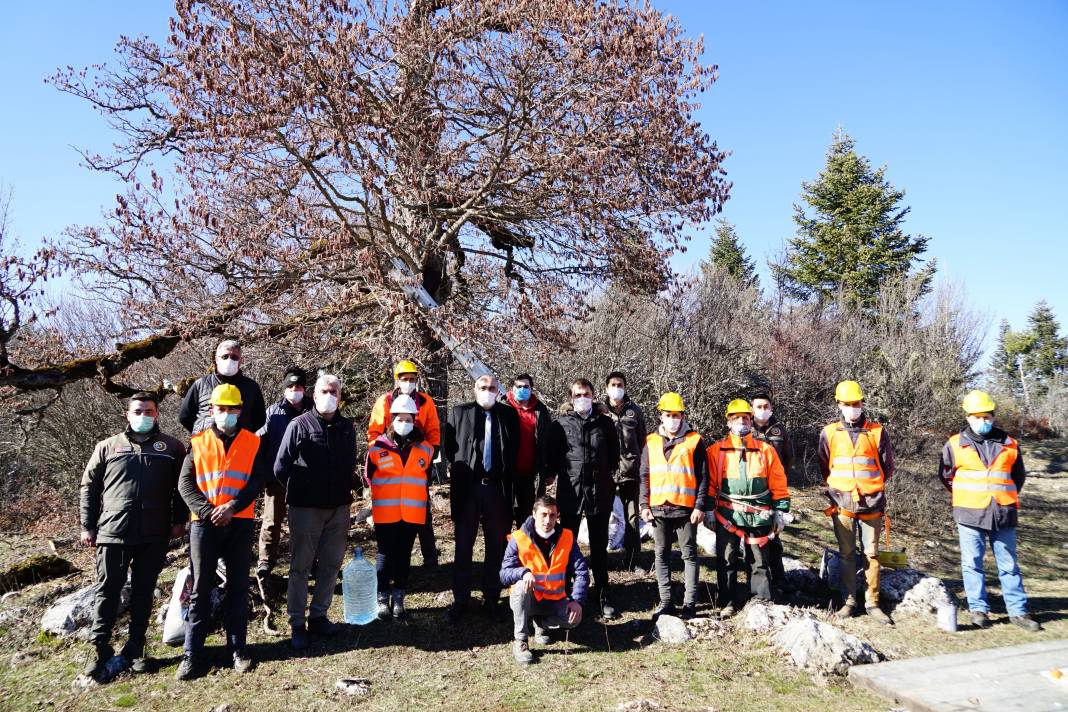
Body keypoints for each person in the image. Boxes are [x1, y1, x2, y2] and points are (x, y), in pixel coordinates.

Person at [79, 392, 187, 681]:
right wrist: (87, 526)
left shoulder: (173, 448)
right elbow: (88, 487)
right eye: (138, 411)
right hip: (113, 531)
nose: (144, 416)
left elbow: (182, 488)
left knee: (143, 592)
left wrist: (179, 521)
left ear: (157, 414)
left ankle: (136, 648)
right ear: (127, 415)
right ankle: (99, 649)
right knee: (107, 592)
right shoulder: (107, 447)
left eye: (149, 411)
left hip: (154, 533)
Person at [177, 384, 270, 680]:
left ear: (240, 410)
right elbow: (185, 484)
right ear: (211, 410)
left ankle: (238, 650)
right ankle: (192, 655)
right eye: (221, 408)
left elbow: (256, 481)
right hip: (204, 525)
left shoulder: (253, 442)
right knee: (200, 589)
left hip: (239, 522)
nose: (226, 414)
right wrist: (208, 511)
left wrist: (232, 506)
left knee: (239, 587)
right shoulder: (198, 441)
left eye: (232, 409)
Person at [939, 390, 1040, 631]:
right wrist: (965, 495)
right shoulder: (955, 444)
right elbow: (945, 476)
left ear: (993, 416)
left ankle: (1018, 612)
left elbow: (1018, 477)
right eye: (976, 416)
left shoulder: (1009, 444)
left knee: (1008, 564)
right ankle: (978, 610)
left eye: (986, 416)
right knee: (972, 563)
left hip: (1003, 512)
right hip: (969, 513)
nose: (982, 421)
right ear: (968, 417)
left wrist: (1002, 497)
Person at [274, 373, 357, 650]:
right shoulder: (299, 425)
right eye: (324, 390)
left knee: (332, 564)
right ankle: (297, 622)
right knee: (301, 567)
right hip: (306, 508)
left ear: (340, 396)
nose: (329, 395)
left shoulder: (347, 427)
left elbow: (350, 462)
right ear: (314, 394)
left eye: (334, 391)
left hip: (339, 508)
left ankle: (319, 615)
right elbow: (280, 467)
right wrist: (302, 489)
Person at [444, 374, 518, 622]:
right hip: (468, 488)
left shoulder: (508, 415)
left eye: (492, 388)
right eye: (483, 387)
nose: (487, 391)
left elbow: (514, 450)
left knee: (496, 545)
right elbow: (449, 449)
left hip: (497, 488)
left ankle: (491, 597)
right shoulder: (459, 412)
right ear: (474, 389)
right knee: (464, 545)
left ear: (499, 391)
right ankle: (461, 598)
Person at [544, 378, 621, 619]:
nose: (582, 398)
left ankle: (602, 594)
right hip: (571, 492)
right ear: (571, 397)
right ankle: (563, 592)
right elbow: (552, 456)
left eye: (586, 393)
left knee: (599, 547)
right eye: (578, 394)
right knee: (566, 544)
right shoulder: (561, 424)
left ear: (593, 395)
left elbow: (614, 455)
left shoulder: (605, 423)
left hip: (600, 492)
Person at [818, 380, 894, 625]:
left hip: (872, 502)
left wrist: (870, 487)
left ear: (863, 403)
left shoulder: (877, 431)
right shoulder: (829, 433)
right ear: (839, 404)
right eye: (848, 404)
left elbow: (887, 467)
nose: (853, 407)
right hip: (842, 503)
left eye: (856, 403)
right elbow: (824, 466)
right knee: (846, 554)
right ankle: (850, 601)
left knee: (871, 554)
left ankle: (873, 603)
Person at [707, 399, 790, 617]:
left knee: (759, 560)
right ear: (728, 422)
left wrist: (780, 510)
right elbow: (710, 484)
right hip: (728, 514)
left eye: (745, 418)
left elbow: (778, 482)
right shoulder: (716, 451)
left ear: (751, 421)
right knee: (726, 559)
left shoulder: (766, 450)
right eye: (736, 418)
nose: (741, 422)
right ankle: (727, 602)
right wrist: (708, 510)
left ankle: (761, 602)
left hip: (759, 514)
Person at [639, 392, 709, 620]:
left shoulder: (695, 440)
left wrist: (699, 506)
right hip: (658, 509)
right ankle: (666, 602)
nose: (672, 419)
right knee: (661, 555)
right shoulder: (651, 441)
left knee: (689, 555)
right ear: (661, 416)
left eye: (676, 415)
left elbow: (703, 477)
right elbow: (645, 475)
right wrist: (644, 504)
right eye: (668, 414)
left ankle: (690, 603)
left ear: (682, 415)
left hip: (685, 510)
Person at [366, 394, 434, 620]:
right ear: (391, 419)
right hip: (386, 513)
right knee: (385, 556)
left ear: (415, 420)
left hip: (412, 513)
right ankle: (382, 598)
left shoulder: (425, 448)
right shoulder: (376, 448)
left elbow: (427, 478)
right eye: (399, 418)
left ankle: (399, 599)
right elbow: (369, 477)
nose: (404, 423)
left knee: (404, 556)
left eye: (408, 418)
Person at [367, 360, 441, 567]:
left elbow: (433, 431)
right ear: (397, 380)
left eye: (412, 379)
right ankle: (388, 559)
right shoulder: (385, 401)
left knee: (422, 509)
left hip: (417, 461)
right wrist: (383, 452)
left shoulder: (426, 401)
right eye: (405, 379)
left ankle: (430, 556)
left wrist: (428, 455)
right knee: (389, 514)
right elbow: (373, 432)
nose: (409, 382)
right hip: (389, 462)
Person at [500, 495, 589, 666]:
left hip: (555, 600)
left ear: (557, 516)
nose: (548, 520)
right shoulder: (519, 538)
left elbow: (581, 571)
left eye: (552, 515)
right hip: (529, 599)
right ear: (534, 514)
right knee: (519, 587)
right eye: (543, 515)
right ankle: (521, 641)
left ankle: (541, 624)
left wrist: (577, 600)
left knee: (574, 619)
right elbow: (504, 573)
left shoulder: (567, 537)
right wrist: (523, 572)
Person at [255, 367, 311, 577]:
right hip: (276, 477)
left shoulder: (314, 410)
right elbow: (259, 443)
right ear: (284, 388)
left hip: (306, 477)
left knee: (306, 523)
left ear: (305, 389)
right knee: (271, 522)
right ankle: (265, 562)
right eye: (290, 386)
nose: (294, 390)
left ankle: (309, 561)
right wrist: (261, 475)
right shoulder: (272, 412)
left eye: (298, 386)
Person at [750, 392, 793, 599]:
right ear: (751, 409)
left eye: (765, 406)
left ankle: (779, 578)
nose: (762, 410)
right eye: (758, 406)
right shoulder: (745, 429)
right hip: (753, 493)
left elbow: (788, 459)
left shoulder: (779, 430)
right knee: (753, 538)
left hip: (774, 490)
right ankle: (756, 579)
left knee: (774, 536)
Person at [602, 371, 647, 571]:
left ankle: (633, 561)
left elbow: (642, 440)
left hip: (630, 472)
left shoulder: (634, 411)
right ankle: (600, 560)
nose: (616, 388)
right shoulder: (599, 410)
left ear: (625, 387)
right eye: (613, 384)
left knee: (632, 518)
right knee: (602, 516)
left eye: (620, 384)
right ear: (606, 388)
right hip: (606, 473)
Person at [178, 338, 267, 435]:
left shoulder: (251, 387)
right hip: (206, 445)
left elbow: (260, 419)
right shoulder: (201, 384)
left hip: (239, 445)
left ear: (241, 361)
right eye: (225, 356)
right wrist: (200, 432)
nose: (229, 360)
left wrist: (244, 432)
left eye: (234, 357)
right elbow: (184, 416)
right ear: (216, 359)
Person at [505, 373, 553, 529]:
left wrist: (548, 471)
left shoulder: (540, 410)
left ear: (532, 389)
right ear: (512, 388)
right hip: (505, 475)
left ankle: (525, 551)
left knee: (526, 518)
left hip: (530, 475)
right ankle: (505, 552)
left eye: (526, 386)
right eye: (518, 386)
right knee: (503, 518)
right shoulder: (503, 407)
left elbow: (548, 442)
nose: (522, 389)